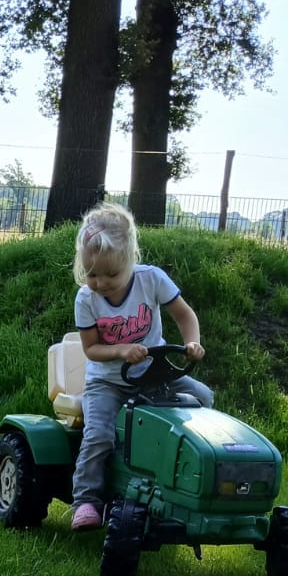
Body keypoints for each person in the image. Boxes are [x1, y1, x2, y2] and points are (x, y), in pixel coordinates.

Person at [69, 202, 213, 531]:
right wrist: (121, 350)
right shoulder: (86, 300)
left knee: (203, 399)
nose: (101, 282)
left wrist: (192, 342)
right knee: (99, 434)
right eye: (92, 274)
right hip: (107, 382)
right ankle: (86, 500)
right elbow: (91, 349)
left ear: (130, 261)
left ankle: (179, 477)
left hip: (154, 374)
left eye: (111, 274)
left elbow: (184, 315)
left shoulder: (152, 280)